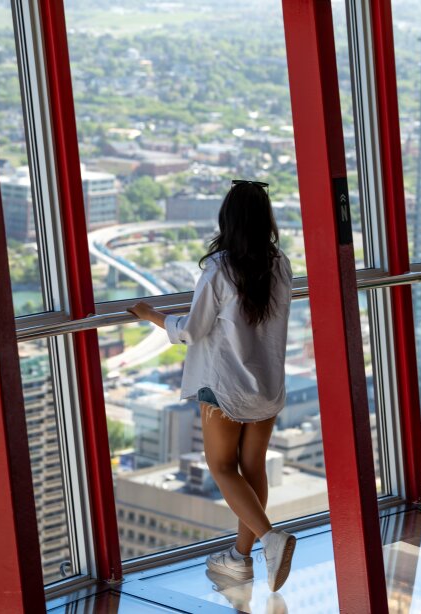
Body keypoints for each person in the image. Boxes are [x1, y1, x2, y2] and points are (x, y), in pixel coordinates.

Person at [128, 180, 296, 592]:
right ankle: (240, 560)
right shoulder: (281, 264)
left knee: (222, 467)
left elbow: (193, 329)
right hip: (267, 384)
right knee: (252, 468)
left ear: (228, 220)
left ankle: (270, 538)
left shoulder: (220, 269)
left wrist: (152, 315)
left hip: (223, 387)